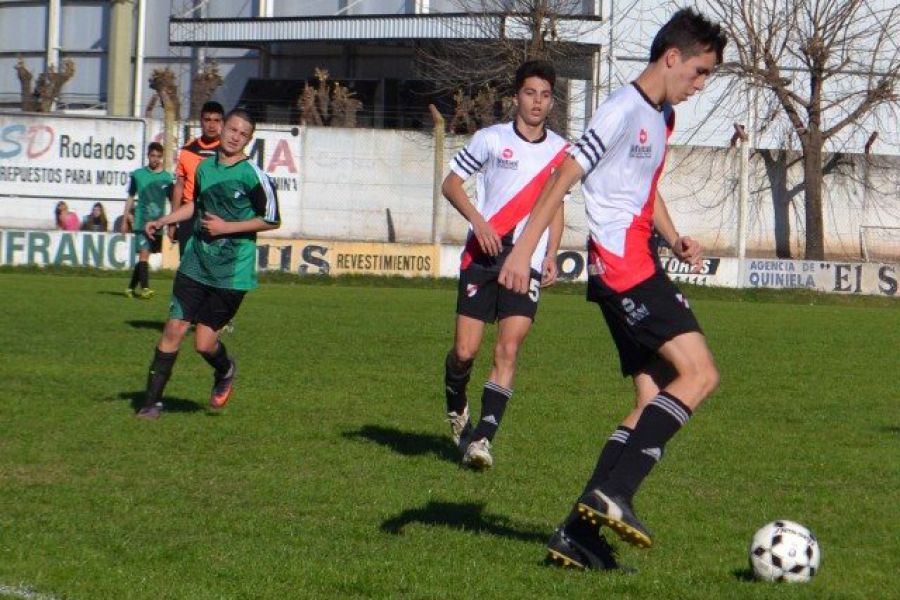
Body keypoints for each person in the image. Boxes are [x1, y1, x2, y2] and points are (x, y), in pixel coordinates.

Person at [498, 8, 727, 570]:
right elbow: (564, 176)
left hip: (639, 257)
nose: (700, 86)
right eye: (699, 72)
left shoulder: (662, 116)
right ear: (671, 57)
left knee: (652, 399)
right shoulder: (622, 110)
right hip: (624, 264)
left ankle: (577, 535)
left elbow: (643, 188)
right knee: (699, 374)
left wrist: (673, 238)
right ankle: (613, 494)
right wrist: (524, 251)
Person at [442, 60, 568, 470]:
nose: (537, 102)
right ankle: (457, 406)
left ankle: (482, 440)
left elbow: (556, 206)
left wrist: (550, 253)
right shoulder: (490, 139)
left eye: (545, 95)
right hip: (482, 256)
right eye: (530, 93)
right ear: (516, 96)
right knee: (465, 352)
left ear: (551, 101)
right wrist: (478, 222)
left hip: (526, 261)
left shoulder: (560, 151)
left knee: (508, 349)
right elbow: (451, 184)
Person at [135, 108, 280, 419]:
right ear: (223, 128)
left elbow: (271, 219)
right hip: (197, 261)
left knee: (204, 344)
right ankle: (151, 403)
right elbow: (195, 206)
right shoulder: (203, 169)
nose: (235, 136)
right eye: (232, 129)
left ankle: (225, 369)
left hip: (232, 270)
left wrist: (226, 228)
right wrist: (163, 219)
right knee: (174, 327)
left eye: (243, 134)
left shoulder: (253, 175)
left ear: (248, 140)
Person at [169, 100, 224, 257]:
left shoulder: (227, 151)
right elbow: (179, 186)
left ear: (222, 122)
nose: (211, 125)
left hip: (216, 214)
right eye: (207, 120)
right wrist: (173, 221)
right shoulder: (187, 150)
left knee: (212, 266)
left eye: (216, 120)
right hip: (189, 215)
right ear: (201, 121)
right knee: (187, 265)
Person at [122, 142, 174, 299]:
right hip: (141, 221)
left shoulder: (166, 178)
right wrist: (125, 219)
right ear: (148, 156)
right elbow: (131, 197)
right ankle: (145, 288)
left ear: (162, 158)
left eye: (158, 157)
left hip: (157, 223)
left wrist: (172, 222)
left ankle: (130, 288)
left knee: (146, 256)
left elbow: (173, 201)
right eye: (153, 156)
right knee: (144, 255)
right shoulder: (138, 175)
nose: (155, 159)